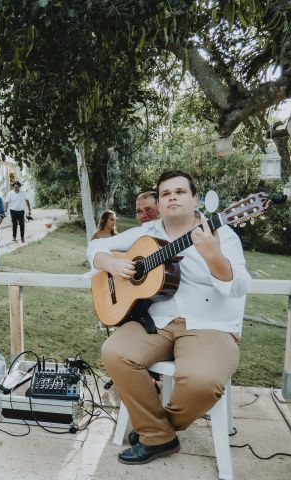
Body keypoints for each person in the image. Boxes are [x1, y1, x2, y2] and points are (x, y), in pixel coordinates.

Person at [87, 170, 250, 465]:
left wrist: (213, 255)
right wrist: (110, 263)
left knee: (203, 380)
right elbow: (95, 246)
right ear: (160, 204)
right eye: (165, 194)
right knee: (114, 352)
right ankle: (159, 435)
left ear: (195, 199)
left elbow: (238, 287)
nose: (172, 197)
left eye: (180, 192)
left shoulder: (222, 234)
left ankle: (155, 431)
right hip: (157, 321)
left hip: (209, 324)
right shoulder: (147, 233)